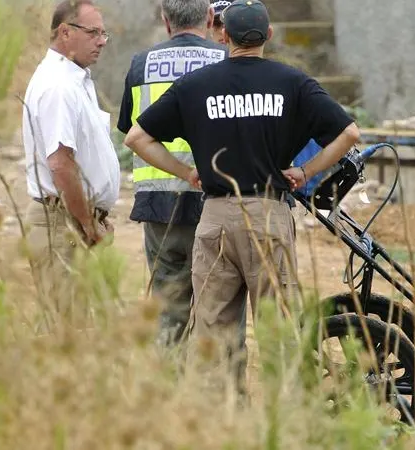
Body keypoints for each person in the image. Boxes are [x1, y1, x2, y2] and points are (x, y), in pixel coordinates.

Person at [124, 0, 360, 392]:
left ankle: (224, 425)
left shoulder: (196, 86)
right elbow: (349, 134)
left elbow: (136, 138)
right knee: (279, 331)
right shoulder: (293, 82)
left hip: (216, 218)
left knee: (213, 335)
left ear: (223, 34)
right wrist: (306, 171)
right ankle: (279, 423)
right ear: (268, 35)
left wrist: (186, 172)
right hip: (269, 217)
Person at [117, 0, 228, 348]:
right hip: (215, 202)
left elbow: (130, 130)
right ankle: (216, 394)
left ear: (165, 21)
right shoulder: (226, 60)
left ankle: (170, 391)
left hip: (159, 206)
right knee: (218, 309)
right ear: (210, 17)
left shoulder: (141, 64)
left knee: (168, 310)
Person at [21, 0, 120, 319]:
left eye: (104, 34)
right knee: (68, 335)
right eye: (93, 33)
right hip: (64, 224)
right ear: (65, 32)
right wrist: (89, 224)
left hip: (78, 221)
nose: (102, 41)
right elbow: (61, 164)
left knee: (88, 331)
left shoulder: (75, 80)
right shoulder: (58, 85)